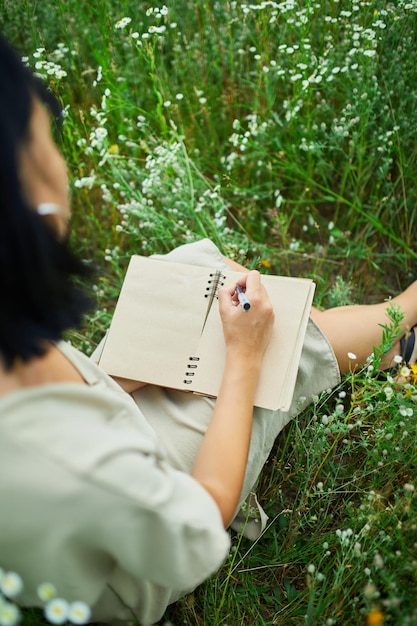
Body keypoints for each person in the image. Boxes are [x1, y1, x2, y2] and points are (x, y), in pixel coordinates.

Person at [0, 32, 416, 626]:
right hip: (134, 556)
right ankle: (400, 315)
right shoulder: (60, 457)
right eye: (48, 143)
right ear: (29, 197)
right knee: (277, 344)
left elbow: (63, 389)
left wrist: (128, 370)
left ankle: (358, 342)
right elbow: (197, 523)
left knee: (193, 270)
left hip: (100, 432)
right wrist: (243, 359)